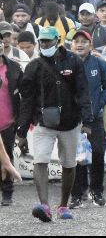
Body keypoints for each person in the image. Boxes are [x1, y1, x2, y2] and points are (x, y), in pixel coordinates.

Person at [16, 27, 94, 222]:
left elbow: (83, 91)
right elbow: (26, 99)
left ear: (58, 40)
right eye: (41, 42)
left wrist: (87, 121)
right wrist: (22, 131)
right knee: (40, 161)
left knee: (69, 164)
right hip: (43, 123)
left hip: (71, 123)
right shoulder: (33, 66)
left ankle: (63, 206)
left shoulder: (73, 61)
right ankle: (44, 205)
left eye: (48, 42)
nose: (44, 45)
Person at [69, 31, 106, 209]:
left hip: (95, 118)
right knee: (76, 158)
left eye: (84, 41)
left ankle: (97, 192)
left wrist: (100, 103)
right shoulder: (66, 63)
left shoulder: (99, 62)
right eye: (76, 41)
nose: (80, 44)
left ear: (90, 44)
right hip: (74, 119)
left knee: (97, 154)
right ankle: (76, 195)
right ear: (71, 44)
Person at [0, 36, 23, 206]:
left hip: (7, 121)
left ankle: (7, 193)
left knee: (6, 156)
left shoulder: (13, 67)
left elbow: (26, 92)